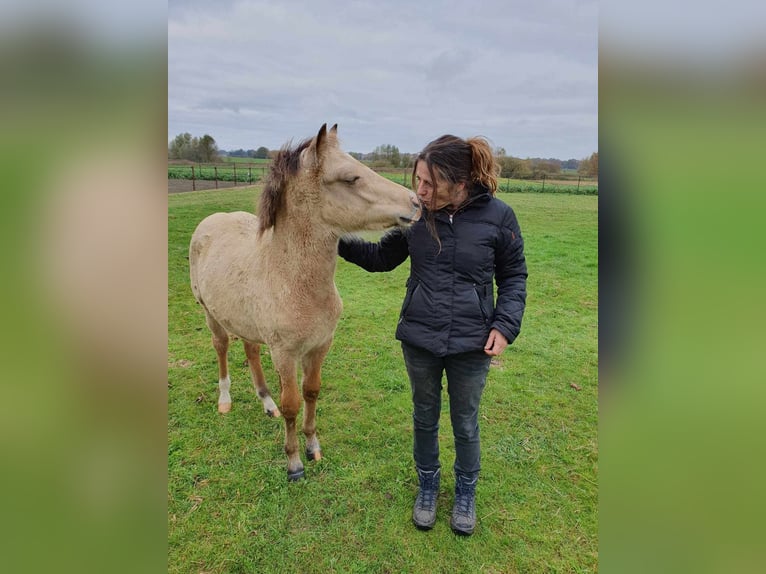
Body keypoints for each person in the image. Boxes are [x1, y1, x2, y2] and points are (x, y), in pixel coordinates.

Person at [338, 134, 527, 535]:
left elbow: (514, 278)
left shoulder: (500, 217)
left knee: (466, 423)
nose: (419, 190)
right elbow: (380, 258)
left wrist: (505, 326)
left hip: (473, 344)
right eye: (418, 180)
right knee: (424, 418)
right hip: (420, 339)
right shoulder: (416, 216)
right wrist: (334, 238)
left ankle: (465, 492)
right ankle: (427, 485)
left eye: (429, 183)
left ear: (459, 182)